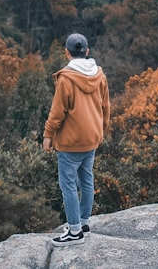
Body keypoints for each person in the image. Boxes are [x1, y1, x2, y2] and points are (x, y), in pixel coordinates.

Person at [42, 32, 110, 247]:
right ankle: (84, 223)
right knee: (86, 179)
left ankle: (74, 231)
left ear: (67, 52)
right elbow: (105, 107)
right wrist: (101, 131)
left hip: (71, 142)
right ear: (87, 51)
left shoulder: (66, 78)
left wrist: (48, 135)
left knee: (68, 185)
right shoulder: (99, 75)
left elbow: (57, 111)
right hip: (91, 138)